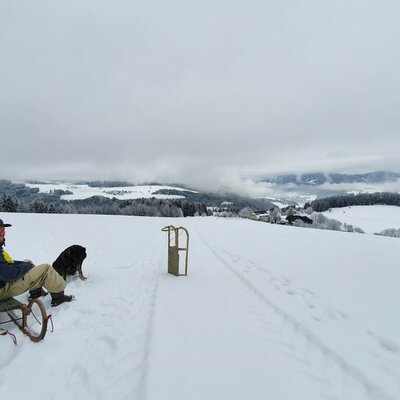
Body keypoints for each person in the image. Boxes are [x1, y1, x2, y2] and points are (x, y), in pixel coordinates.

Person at [0, 218, 74, 307]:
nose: (4, 233)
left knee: (28, 262)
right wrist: (26, 267)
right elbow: (9, 274)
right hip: (3, 289)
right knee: (46, 269)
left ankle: (36, 293)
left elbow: (5, 264)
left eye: (3, 229)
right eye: (1, 230)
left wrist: (25, 265)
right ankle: (59, 297)